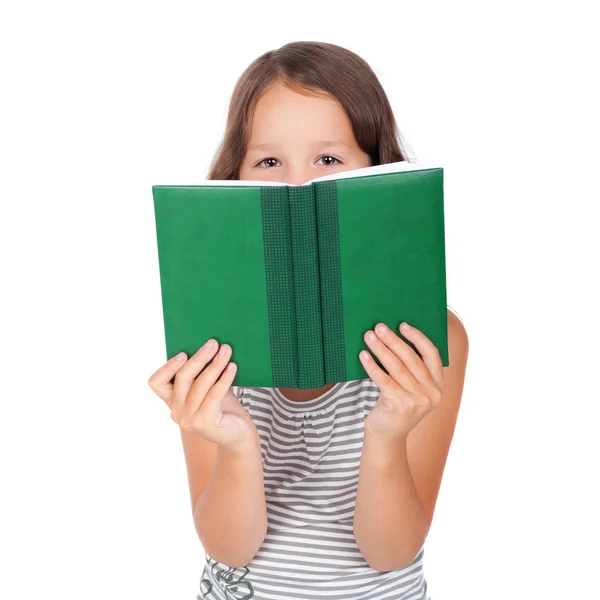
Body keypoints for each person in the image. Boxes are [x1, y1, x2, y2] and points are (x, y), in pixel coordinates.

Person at [148, 41, 469, 600]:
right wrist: (235, 443)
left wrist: (389, 433)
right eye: (269, 162)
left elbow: (390, 552)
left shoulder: (430, 338)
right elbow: (229, 549)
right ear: (236, 179)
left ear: (376, 171)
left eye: (328, 159)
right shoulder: (212, 335)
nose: (296, 188)